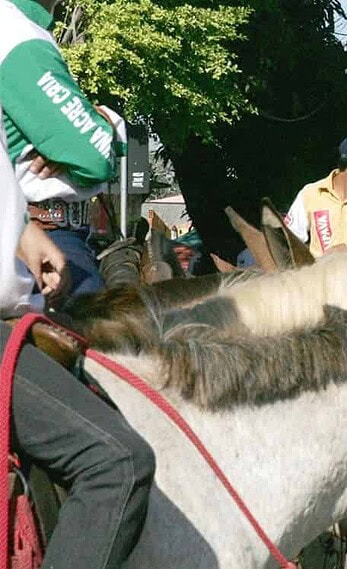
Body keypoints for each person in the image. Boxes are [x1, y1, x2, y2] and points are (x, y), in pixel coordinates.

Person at [0, 89, 156, 567]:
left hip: (49, 244)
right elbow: (90, 152)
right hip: (22, 287)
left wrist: (19, 230)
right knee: (120, 462)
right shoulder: (19, 40)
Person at [1, 0, 131, 303]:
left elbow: (83, 145)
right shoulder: (16, 32)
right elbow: (94, 157)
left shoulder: (23, 28)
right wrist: (108, 127)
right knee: (103, 344)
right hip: (40, 242)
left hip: (37, 234)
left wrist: (99, 129)